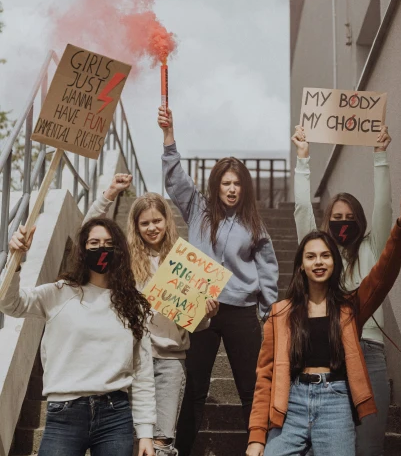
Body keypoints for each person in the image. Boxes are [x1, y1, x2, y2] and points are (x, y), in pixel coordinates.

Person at [246, 193, 401, 456]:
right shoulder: (280, 314)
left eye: (325, 256)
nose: (318, 262)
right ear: (301, 265)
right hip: (292, 403)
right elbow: (265, 377)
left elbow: (383, 275)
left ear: (334, 263)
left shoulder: (349, 309)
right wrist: (257, 437)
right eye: (311, 257)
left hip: (335, 403)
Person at [157, 105, 279, 456]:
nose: (231, 188)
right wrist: (169, 137)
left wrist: (268, 309)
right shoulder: (198, 208)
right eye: (226, 182)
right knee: (194, 387)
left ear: (245, 187)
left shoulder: (254, 223)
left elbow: (267, 265)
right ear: (216, 185)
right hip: (201, 309)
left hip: (241, 311)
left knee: (250, 387)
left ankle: (264, 449)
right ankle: (182, 449)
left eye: (237, 183)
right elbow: (175, 179)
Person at [85, 175, 219, 456]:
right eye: (144, 223)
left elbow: (196, 322)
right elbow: (87, 234)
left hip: (170, 360)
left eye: (157, 220)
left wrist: (207, 314)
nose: (151, 227)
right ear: (135, 226)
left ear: (167, 221)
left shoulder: (185, 260)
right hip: (131, 359)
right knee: (130, 440)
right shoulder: (123, 260)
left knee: (161, 442)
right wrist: (108, 195)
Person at [0, 216, 156, 456]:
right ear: (83, 248)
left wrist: (145, 432)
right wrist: (15, 259)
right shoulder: (58, 293)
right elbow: (9, 303)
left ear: (119, 250)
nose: (101, 248)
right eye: (94, 243)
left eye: (108, 242)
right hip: (64, 414)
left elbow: (143, 371)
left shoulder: (134, 305)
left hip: (116, 416)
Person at [291, 123, 393, 456]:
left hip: (370, 351)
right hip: (331, 353)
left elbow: (384, 209)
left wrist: (380, 156)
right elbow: (303, 211)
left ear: (359, 220)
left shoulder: (372, 247)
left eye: (350, 216)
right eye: (336, 216)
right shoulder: (321, 252)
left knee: (368, 446)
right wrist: (303, 159)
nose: (343, 221)